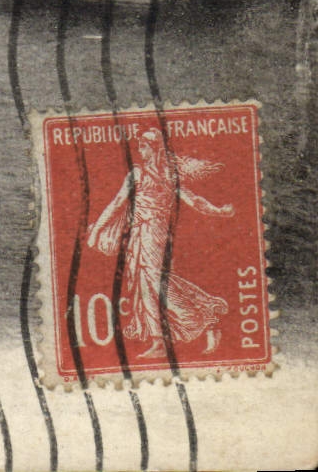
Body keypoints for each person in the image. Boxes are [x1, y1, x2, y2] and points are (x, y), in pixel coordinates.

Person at [86, 129, 234, 358]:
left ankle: (203, 319)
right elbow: (116, 203)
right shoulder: (137, 175)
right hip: (139, 234)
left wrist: (219, 211)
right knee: (148, 282)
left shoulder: (167, 177)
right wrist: (97, 230)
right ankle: (164, 337)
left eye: (144, 147)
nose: (140, 151)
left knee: (154, 282)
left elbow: (192, 199)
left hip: (155, 235)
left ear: (154, 149)